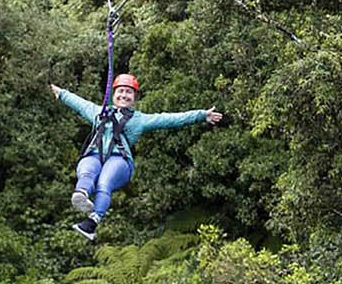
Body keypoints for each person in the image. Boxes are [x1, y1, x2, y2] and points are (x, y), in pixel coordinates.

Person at [50, 73, 223, 241]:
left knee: (105, 181)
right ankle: (82, 194)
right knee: (87, 169)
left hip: (119, 161)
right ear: (114, 94)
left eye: (128, 92)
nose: (124, 95)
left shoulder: (138, 120)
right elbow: (79, 103)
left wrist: (201, 115)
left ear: (134, 97)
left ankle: (92, 221)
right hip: (95, 154)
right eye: (121, 91)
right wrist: (60, 93)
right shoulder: (99, 111)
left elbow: (169, 119)